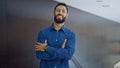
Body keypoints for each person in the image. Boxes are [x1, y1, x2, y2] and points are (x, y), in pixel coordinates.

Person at [35, 3, 76, 68]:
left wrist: (46, 48)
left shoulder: (71, 35)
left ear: (67, 15)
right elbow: (39, 54)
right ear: (54, 13)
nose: (60, 12)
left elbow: (69, 55)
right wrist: (61, 51)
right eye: (58, 10)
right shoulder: (43, 33)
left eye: (63, 11)